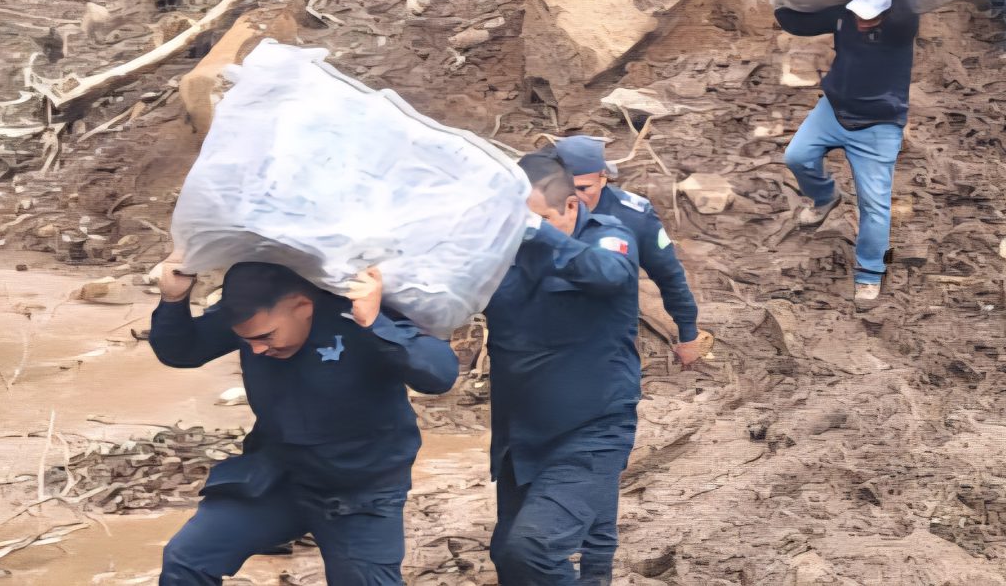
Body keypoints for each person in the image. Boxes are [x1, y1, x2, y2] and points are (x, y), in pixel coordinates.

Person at [148, 257, 459, 586]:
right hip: (279, 477)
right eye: (247, 341)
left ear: (302, 306)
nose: (255, 350)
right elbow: (182, 352)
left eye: (266, 337)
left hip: (361, 489)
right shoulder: (252, 316)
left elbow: (440, 376)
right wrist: (173, 300)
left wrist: (375, 324)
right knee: (187, 558)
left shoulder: (356, 313)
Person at [546, 135, 707, 583]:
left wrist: (687, 333)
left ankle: (596, 568)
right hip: (546, 358)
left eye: (588, 188)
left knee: (599, 462)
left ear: (604, 177)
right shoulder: (536, 214)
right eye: (570, 188)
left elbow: (669, 275)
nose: (579, 198)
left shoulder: (630, 216)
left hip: (605, 358)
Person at [485, 154, 643, 586]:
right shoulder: (499, 251)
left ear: (571, 206)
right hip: (521, 438)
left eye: (537, 220)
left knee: (532, 549)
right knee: (508, 557)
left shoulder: (608, 237)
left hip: (590, 432)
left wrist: (540, 236)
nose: (523, 233)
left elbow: (609, 274)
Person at [775, 0, 923, 307]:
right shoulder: (844, 15)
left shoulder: (900, 27)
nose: (862, 19)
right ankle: (825, 196)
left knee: (875, 206)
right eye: (859, 11)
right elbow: (795, 22)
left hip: (878, 126)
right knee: (796, 157)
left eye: (870, 14)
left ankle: (870, 274)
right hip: (833, 109)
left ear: (888, 12)